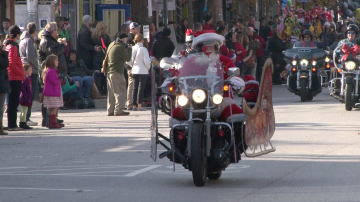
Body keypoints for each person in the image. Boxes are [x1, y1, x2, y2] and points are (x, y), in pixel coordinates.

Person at [38, 22, 67, 127]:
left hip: (54, 71)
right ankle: (46, 120)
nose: (57, 32)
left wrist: (59, 43)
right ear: (52, 31)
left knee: (55, 96)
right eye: (56, 30)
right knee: (48, 97)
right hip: (47, 72)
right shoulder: (46, 40)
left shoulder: (51, 40)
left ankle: (53, 118)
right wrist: (62, 45)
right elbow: (52, 53)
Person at [105, 32, 132, 116]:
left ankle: (110, 110)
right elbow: (127, 58)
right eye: (126, 39)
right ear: (123, 39)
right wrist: (130, 49)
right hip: (117, 72)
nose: (126, 41)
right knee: (120, 91)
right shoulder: (120, 47)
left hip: (109, 72)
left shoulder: (112, 44)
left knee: (111, 93)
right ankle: (119, 110)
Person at [4, 25, 25, 131]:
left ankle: (12, 124)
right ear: (17, 34)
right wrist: (21, 73)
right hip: (14, 78)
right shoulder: (13, 46)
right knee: (13, 102)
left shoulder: (9, 45)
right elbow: (12, 64)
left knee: (12, 102)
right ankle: (12, 125)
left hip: (12, 77)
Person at [19, 22, 39, 127]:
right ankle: (27, 118)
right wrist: (38, 65)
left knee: (26, 94)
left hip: (25, 68)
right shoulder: (29, 41)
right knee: (30, 94)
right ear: (34, 32)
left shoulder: (22, 40)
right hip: (31, 70)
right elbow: (31, 57)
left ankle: (25, 118)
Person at [129, 34, 150, 111]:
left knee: (134, 88)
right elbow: (147, 61)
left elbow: (129, 60)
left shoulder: (133, 48)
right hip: (143, 70)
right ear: (142, 40)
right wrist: (148, 68)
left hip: (134, 70)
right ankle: (140, 105)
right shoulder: (144, 49)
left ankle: (134, 105)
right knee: (141, 88)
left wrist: (133, 65)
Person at [42, 54, 63, 129]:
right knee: (54, 108)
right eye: (56, 60)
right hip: (53, 93)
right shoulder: (51, 71)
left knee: (52, 109)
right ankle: (53, 123)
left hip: (52, 92)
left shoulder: (51, 70)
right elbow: (53, 81)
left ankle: (52, 122)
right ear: (52, 62)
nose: (58, 62)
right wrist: (59, 80)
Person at [92, 21, 111, 94]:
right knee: (105, 74)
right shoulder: (106, 37)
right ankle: (105, 90)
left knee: (97, 74)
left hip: (96, 57)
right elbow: (109, 47)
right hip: (104, 57)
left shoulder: (94, 37)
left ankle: (98, 90)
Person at [126, 22, 141, 109]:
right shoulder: (130, 38)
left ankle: (131, 102)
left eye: (139, 28)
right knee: (131, 83)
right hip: (131, 65)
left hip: (134, 64)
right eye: (137, 28)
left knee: (133, 84)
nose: (138, 29)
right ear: (132, 29)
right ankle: (129, 103)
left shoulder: (133, 37)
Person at [19, 64, 33, 129]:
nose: (31, 71)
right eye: (30, 70)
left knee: (25, 111)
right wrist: (26, 95)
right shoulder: (24, 78)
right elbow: (23, 88)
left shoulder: (27, 78)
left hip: (27, 97)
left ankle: (23, 122)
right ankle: (22, 123)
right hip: (24, 98)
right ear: (25, 70)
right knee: (23, 111)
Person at [0, 40, 9, 135]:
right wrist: (4, 52)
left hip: (2, 81)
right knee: (0, 106)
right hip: (1, 82)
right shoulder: (2, 55)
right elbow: (5, 63)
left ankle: (1, 126)